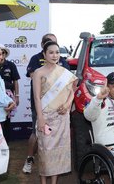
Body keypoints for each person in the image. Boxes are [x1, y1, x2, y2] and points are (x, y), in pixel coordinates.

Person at [22, 33, 70, 174]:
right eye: (48, 42)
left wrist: (67, 103)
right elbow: (34, 77)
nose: (54, 54)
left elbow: (69, 82)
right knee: (36, 132)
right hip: (42, 106)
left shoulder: (62, 60)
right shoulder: (35, 59)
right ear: (43, 45)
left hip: (59, 108)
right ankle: (30, 159)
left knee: (57, 138)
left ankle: (55, 166)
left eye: (55, 44)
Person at [33, 41, 77, 184]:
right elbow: (37, 98)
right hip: (45, 117)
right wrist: (40, 118)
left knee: (58, 151)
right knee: (45, 151)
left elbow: (72, 91)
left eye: (57, 52)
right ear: (44, 54)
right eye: (51, 52)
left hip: (62, 117)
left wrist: (67, 104)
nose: (55, 55)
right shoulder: (38, 73)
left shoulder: (65, 73)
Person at [0, 44, 20, 143]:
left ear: (5, 54)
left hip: (8, 97)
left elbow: (15, 81)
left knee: (6, 120)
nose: (0, 56)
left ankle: (6, 144)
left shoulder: (11, 65)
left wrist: (17, 96)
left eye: (2, 53)